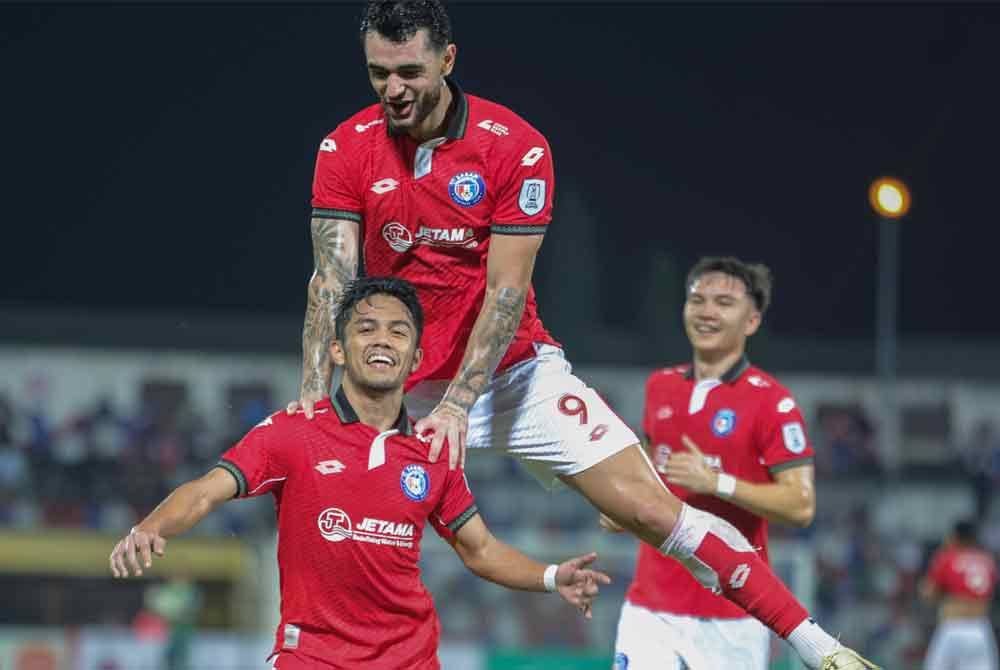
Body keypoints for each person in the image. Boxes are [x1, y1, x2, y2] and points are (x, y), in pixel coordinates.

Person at [291, 2, 877, 667]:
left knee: (651, 511)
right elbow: (330, 282)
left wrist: (458, 404)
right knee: (328, 519)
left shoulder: (515, 146)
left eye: (408, 71)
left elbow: (505, 295)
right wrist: (315, 391)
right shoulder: (345, 147)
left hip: (512, 375)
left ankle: (823, 650)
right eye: (377, 73)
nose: (392, 90)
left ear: (447, 60)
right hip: (397, 391)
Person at [110, 277, 610, 670]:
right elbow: (204, 492)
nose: (381, 340)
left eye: (398, 331)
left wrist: (551, 577)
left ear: (415, 358)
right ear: (337, 350)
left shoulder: (434, 449)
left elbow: (480, 550)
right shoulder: (295, 431)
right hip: (312, 659)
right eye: (366, 328)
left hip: (410, 660)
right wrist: (151, 527)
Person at [603, 257, 819, 669]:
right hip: (652, 609)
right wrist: (620, 507)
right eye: (697, 299)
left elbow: (801, 506)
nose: (706, 311)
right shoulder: (659, 386)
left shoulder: (773, 402)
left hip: (733, 615)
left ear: (752, 321)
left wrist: (718, 482)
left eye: (723, 302)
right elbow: (648, 474)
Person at [920, 519, 998, 670]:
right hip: (980, 628)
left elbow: (929, 594)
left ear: (954, 536)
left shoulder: (947, 557)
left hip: (953, 627)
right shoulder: (987, 560)